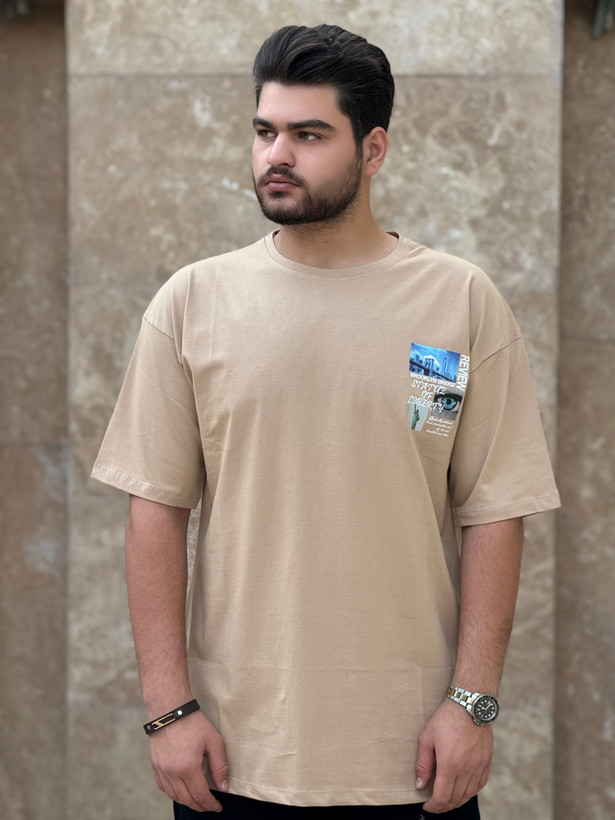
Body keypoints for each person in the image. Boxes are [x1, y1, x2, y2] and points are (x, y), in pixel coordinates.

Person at [92, 24, 560, 819]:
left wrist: (472, 704)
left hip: (414, 759)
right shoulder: (193, 303)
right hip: (234, 756)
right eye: (265, 131)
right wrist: (168, 711)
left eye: (308, 135)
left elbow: (492, 510)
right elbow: (156, 512)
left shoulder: (454, 304)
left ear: (372, 149)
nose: (276, 155)